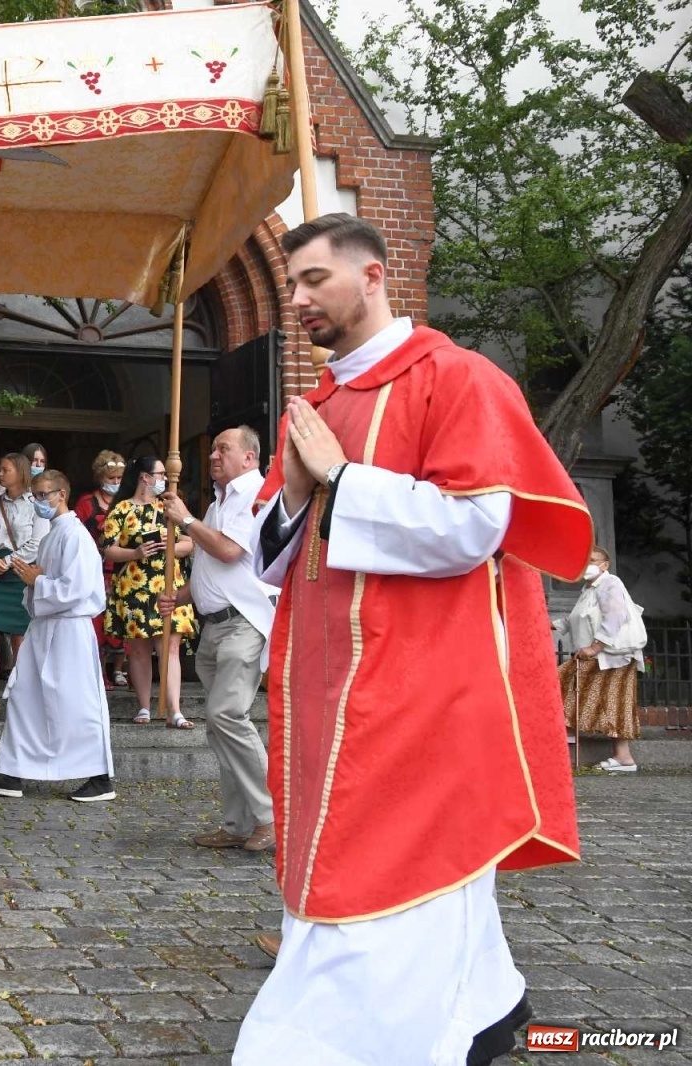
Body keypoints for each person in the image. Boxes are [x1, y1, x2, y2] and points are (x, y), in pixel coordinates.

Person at [234, 213, 591, 1066]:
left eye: (314, 278)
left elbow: (475, 528)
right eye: (291, 283)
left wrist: (344, 478)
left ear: (372, 275)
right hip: (326, 678)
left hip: (423, 674)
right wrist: (297, 494)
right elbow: (274, 560)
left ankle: (358, 1039)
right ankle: (485, 1003)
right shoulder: (319, 407)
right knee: (367, 853)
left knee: (398, 853)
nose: (298, 298)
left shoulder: (457, 378)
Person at [158, 428, 278, 852]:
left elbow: (229, 551)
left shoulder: (255, 496)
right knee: (220, 726)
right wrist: (182, 596)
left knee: (226, 715)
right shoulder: (219, 501)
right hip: (215, 625)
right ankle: (238, 822)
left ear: (249, 457)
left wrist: (186, 520)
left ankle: (270, 817)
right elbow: (215, 567)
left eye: (222, 449)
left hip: (244, 622)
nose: (212, 455)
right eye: (211, 449)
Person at [0, 469, 116, 802]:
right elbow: (43, 582)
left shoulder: (76, 537)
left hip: (69, 631)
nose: (37, 502)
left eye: (42, 495)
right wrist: (34, 582)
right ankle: (11, 772)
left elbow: (77, 589)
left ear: (61, 494)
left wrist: (37, 581)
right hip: (45, 628)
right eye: (34, 495)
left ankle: (100, 777)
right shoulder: (52, 536)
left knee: (77, 702)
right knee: (25, 698)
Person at [103, 456, 195, 727]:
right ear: (145, 477)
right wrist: (136, 552)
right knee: (139, 650)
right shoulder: (121, 509)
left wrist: (170, 545)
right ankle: (144, 706)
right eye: (161, 474)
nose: (165, 479)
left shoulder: (170, 506)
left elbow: (191, 543)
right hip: (135, 585)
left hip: (168, 585)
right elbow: (108, 549)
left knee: (170, 647)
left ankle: (175, 709)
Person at [555, 546, 643, 773]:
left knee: (616, 700)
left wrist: (595, 647)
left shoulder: (610, 583)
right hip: (598, 656)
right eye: (585, 560)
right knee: (571, 688)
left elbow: (616, 615)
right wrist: (546, 625)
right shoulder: (589, 588)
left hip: (612, 655)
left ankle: (623, 757)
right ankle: (621, 756)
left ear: (605, 565)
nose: (587, 564)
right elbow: (575, 618)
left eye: (593, 560)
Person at [0, 452, 47, 719]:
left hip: (21, 573)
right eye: (0, 469)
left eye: (6, 470)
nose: (0, 474)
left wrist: (6, 562)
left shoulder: (37, 505)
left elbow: (38, 543)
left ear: (20, 472)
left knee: (20, 640)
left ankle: (22, 699)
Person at [73, 450, 128, 687]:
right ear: (100, 477)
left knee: (121, 620)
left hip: (123, 569)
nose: (115, 482)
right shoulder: (87, 503)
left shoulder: (127, 502)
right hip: (94, 569)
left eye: (119, 478)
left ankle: (120, 670)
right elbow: (76, 535)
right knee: (96, 622)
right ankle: (98, 672)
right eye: (111, 478)